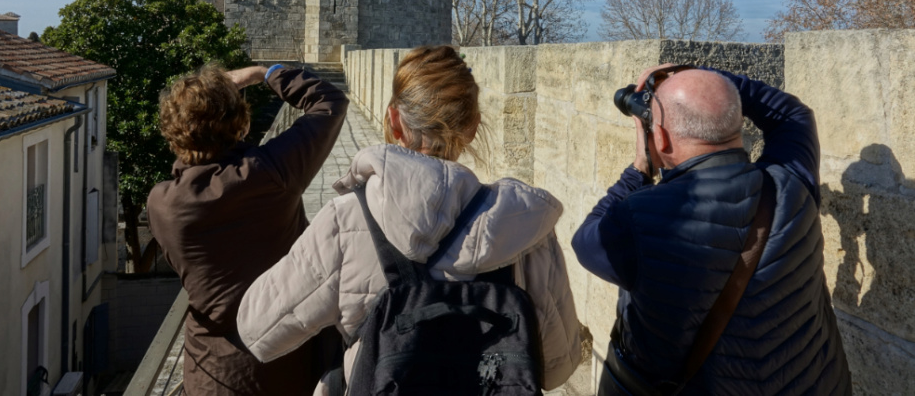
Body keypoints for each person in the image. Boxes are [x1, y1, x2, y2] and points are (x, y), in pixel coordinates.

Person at [236, 45, 582, 394]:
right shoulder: (526, 230)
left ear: (395, 121)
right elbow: (557, 367)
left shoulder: (347, 221)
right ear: (474, 127)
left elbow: (257, 329)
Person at [572, 64, 852, 395]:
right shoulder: (792, 184)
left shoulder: (638, 218)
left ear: (658, 136)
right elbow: (791, 114)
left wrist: (639, 169)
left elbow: (586, 241)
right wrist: (698, 76)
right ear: (736, 120)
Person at [147, 62, 348, 396]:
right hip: (286, 359)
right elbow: (329, 101)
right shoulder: (270, 172)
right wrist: (263, 72)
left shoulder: (161, 203)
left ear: (173, 132)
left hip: (212, 370)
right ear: (240, 125)